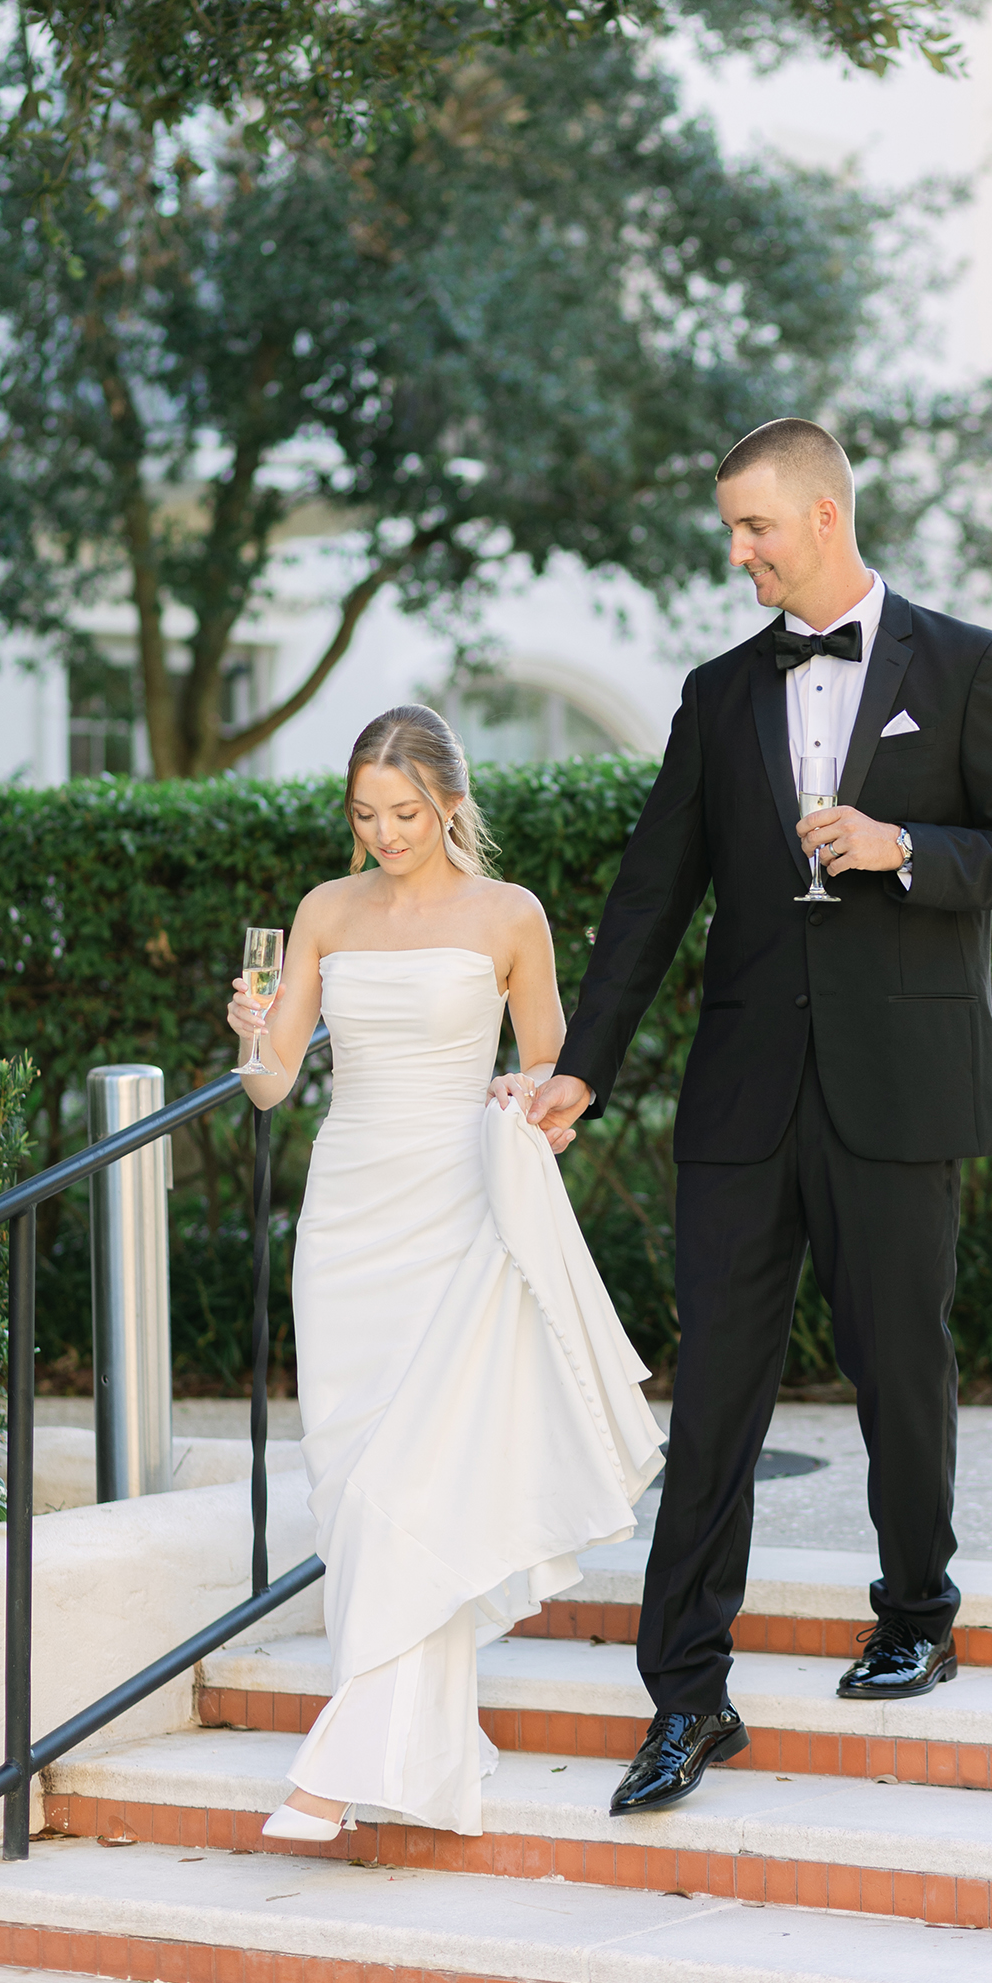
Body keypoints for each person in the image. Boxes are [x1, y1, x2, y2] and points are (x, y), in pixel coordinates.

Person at [529, 418, 992, 1816]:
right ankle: (687, 1698)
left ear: (823, 518)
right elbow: (653, 893)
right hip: (741, 1101)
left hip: (903, 1087)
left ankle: (915, 1614)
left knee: (902, 1365)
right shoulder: (717, 694)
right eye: (731, 527)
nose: (738, 551)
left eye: (754, 527)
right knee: (713, 1397)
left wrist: (903, 848)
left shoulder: (965, 665)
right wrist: (583, 1064)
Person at [227, 704, 664, 1841]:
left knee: (407, 1487)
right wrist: (251, 1035)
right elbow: (273, 1088)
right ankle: (413, 1746)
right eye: (366, 815)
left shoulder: (510, 917)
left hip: (456, 1215)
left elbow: (550, 1078)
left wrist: (525, 1100)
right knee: (352, 1483)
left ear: (452, 803)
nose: (385, 833)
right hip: (346, 1221)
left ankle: (335, 1770)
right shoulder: (324, 910)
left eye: (406, 813)